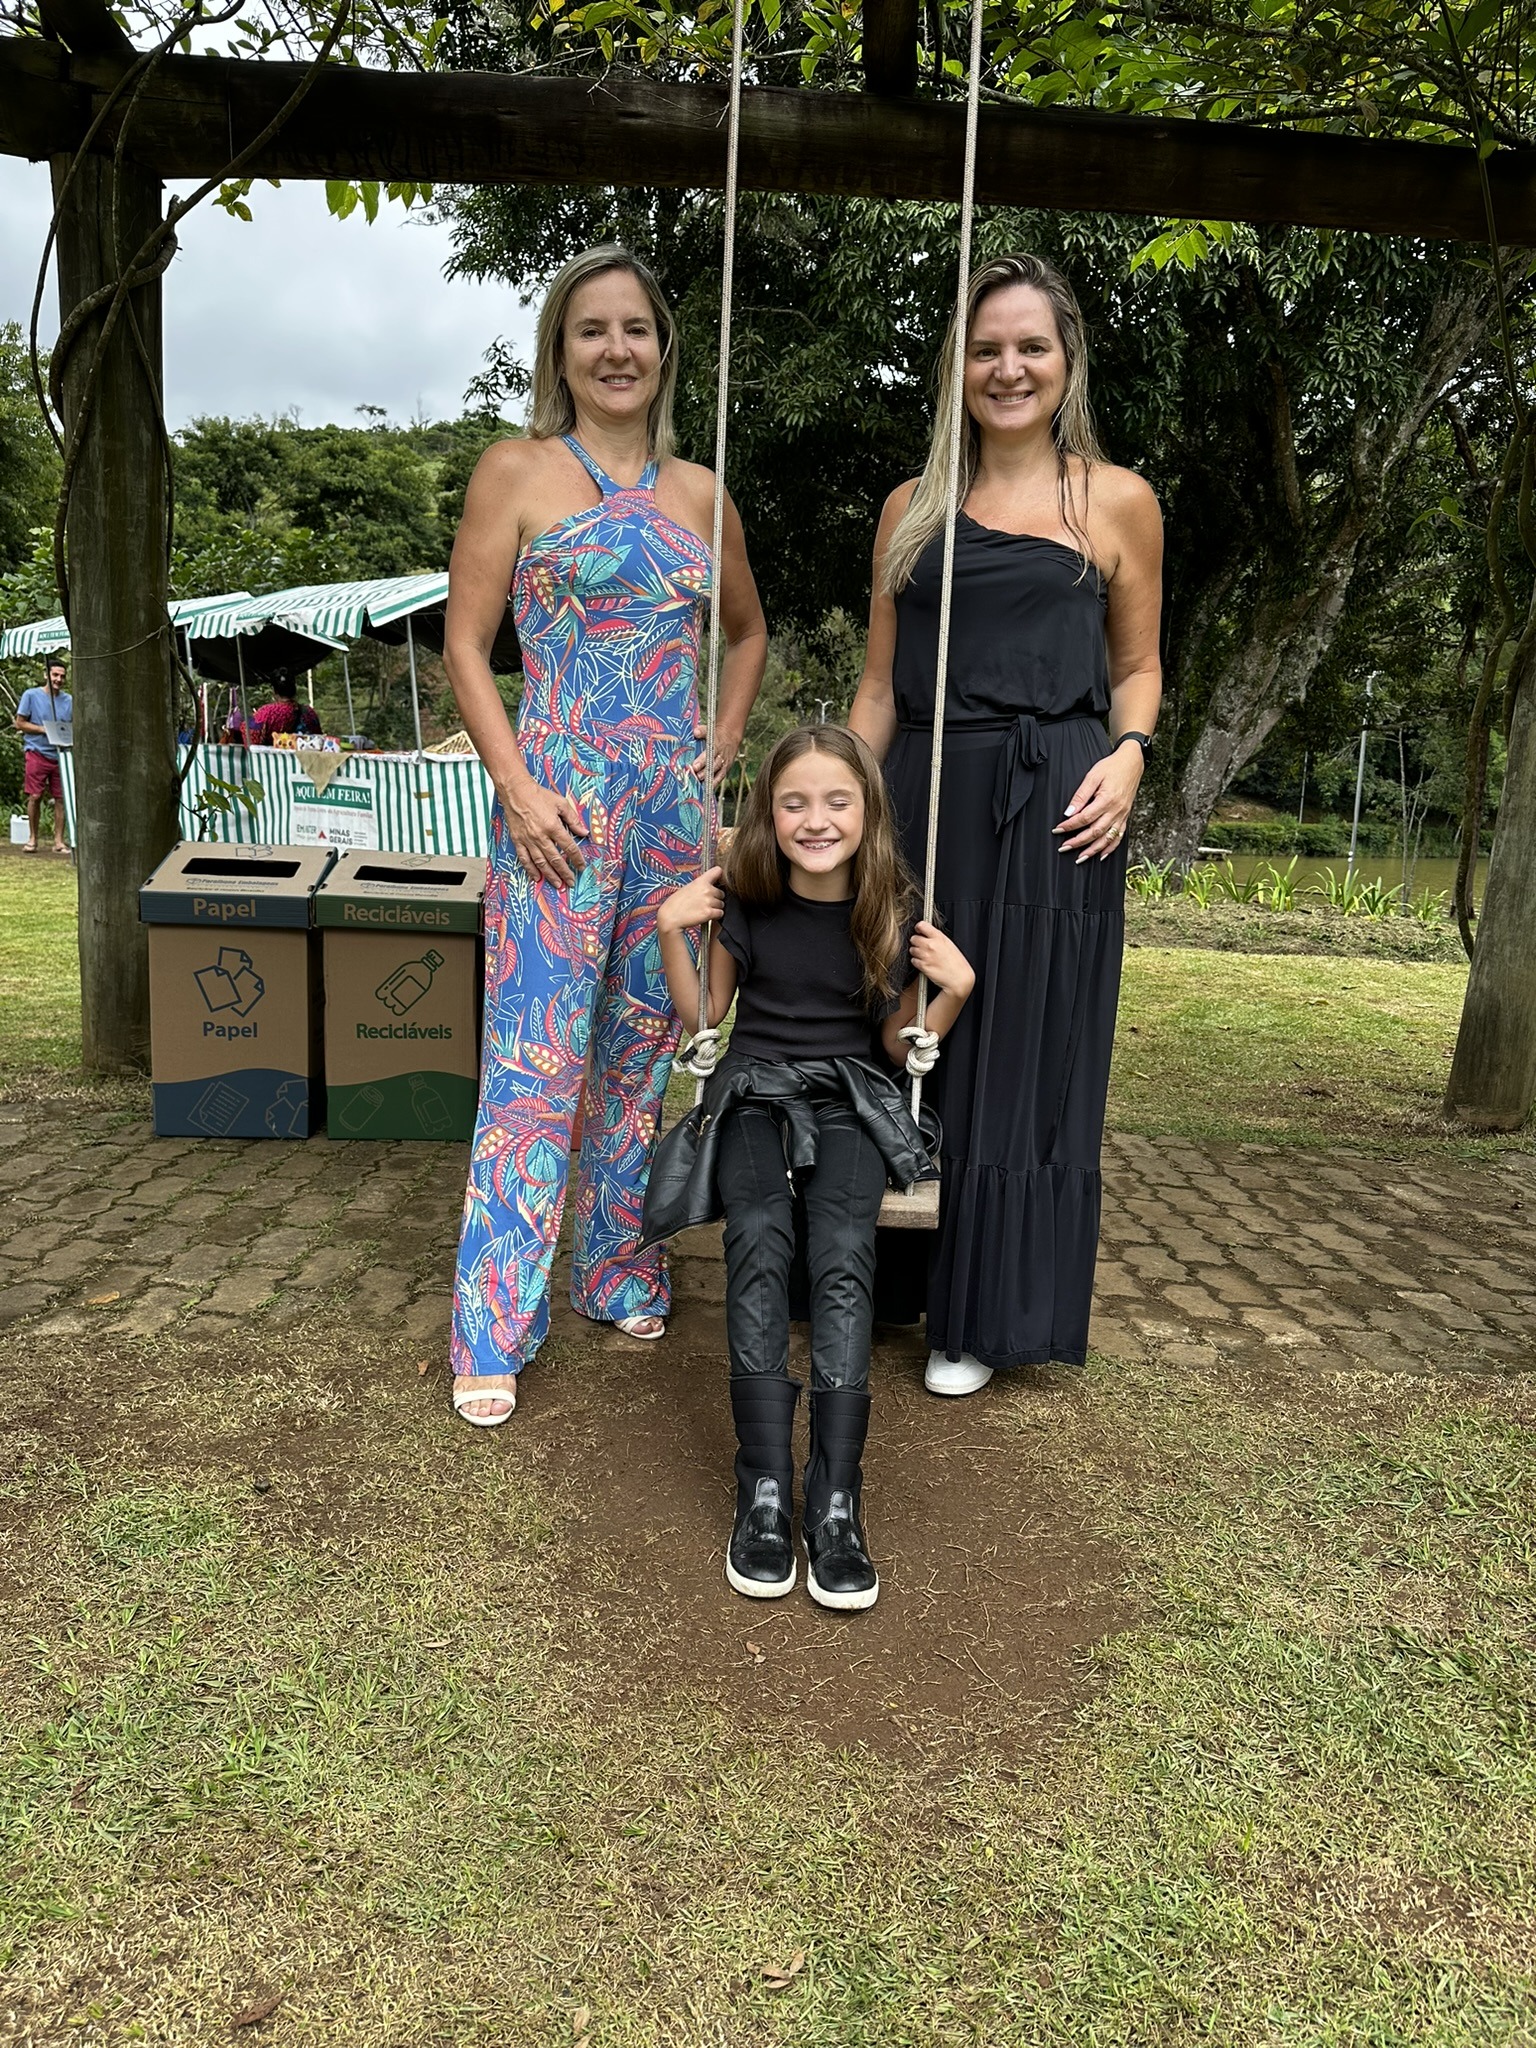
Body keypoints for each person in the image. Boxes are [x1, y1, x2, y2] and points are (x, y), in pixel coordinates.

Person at [443, 244, 767, 1426]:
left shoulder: (702, 493)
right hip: (558, 811)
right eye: (593, 330)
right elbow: (465, 649)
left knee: (643, 1054)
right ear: (561, 351)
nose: (617, 348)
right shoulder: (517, 471)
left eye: (636, 327)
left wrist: (721, 740)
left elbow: (746, 632)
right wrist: (518, 788)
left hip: (671, 817)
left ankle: (617, 1265)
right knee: (535, 1062)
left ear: (663, 348)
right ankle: (494, 1317)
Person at [849, 250, 1164, 1395]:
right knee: (912, 1021)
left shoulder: (1117, 499)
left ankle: (986, 1315)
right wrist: (836, 810)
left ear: (1066, 359)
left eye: (1031, 345)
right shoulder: (911, 507)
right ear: (958, 366)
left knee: (1027, 1042)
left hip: (1061, 808)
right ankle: (881, 1278)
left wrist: (1130, 759)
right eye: (987, 348)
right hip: (930, 795)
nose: (1008, 367)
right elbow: (881, 689)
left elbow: (1139, 671)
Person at [654, 726, 974, 1609]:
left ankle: (836, 1499)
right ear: (769, 812)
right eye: (794, 802)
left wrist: (950, 994)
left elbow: (895, 1045)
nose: (815, 819)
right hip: (753, 1089)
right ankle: (763, 1490)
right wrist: (670, 932)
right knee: (757, 1235)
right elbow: (705, 1021)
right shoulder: (744, 897)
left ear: (867, 812)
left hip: (849, 1098)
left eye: (837, 801)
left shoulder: (889, 905)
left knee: (841, 1248)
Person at [14, 656, 72, 854]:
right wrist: (43, 729)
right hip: (36, 752)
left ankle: (59, 842)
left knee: (61, 798)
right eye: (55, 675)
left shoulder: (69, 700)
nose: (58, 679)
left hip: (61, 754)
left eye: (62, 676)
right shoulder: (31, 695)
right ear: (46, 675)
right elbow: (19, 723)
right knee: (35, 796)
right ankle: (32, 838)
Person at [248, 677, 322, 746]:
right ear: (294, 691)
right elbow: (319, 740)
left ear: (274, 692)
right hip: (303, 758)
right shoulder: (309, 713)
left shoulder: (266, 713)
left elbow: (251, 737)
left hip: (276, 758)